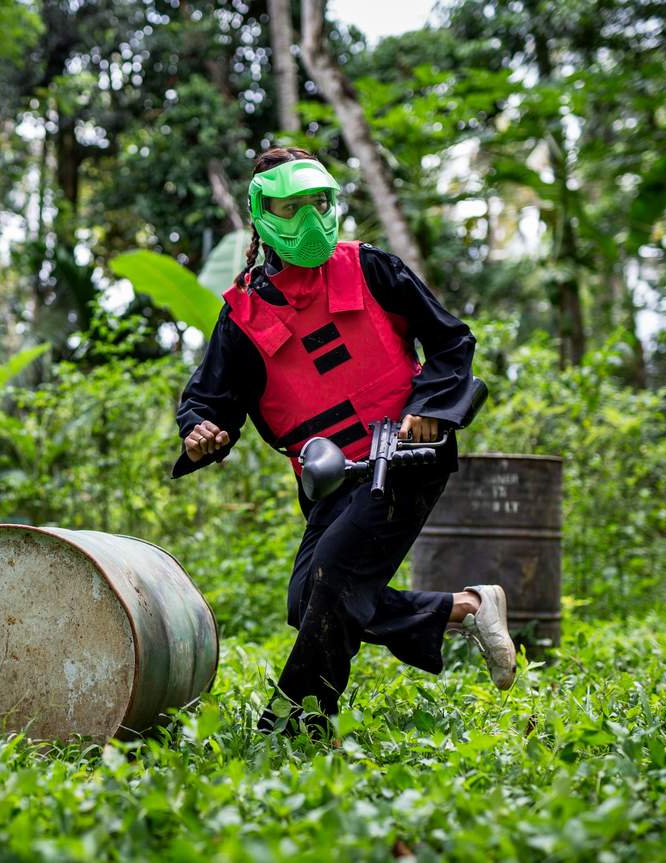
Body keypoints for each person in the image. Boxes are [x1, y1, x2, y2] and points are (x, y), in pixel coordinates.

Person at [171, 147, 517, 735]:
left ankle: (295, 725)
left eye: (318, 203)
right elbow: (210, 399)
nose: (308, 219)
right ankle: (467, 610)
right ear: (263, 214)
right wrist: (201, 431)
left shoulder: (371, 267)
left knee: (333, 577)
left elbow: (452, 342)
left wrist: (431, 410)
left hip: (403, 454)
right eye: (291, 206)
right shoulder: (245, 313)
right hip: (330, 476)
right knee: (309, 601)